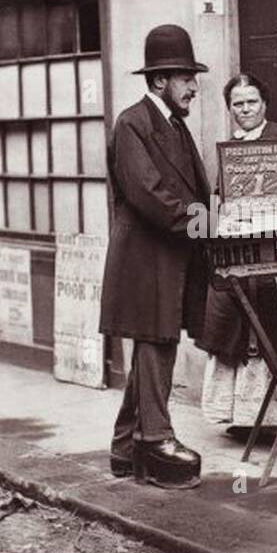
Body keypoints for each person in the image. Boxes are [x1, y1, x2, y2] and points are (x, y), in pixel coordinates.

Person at [98, 24, 211, 490]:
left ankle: (126, 450)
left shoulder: (173, 125)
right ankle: (155, 441)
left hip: (169, 258)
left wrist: (206, 216)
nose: (194, 86)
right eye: (186, 77)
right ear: (161, 80)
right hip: (145, 261)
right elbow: (148, 193)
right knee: (155, 345)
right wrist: (202, 222)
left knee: (156, 345)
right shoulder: (132, 123)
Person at [197, 73, 277, 436]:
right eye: (238, 103)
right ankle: (245, 417)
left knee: (273, 326)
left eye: (251, 101)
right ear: (229, 108)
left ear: (264, 104)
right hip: (242, 249)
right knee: (232, 318)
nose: (245, 109)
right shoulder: (229, 148)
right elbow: (223, 198)